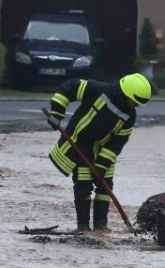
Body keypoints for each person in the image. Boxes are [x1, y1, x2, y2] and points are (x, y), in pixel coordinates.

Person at [47, 73, 152, 230]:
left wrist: (102, 166)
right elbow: (68, 87)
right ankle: (83, 227)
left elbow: (118, 142)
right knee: (83, 182)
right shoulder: (99, 90)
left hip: (103, 149)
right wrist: (57, 113)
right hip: (82, 142)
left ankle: (100, 227)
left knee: (105, 185)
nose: (135, 106)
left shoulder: (130, 115)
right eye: (134, 102)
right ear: (125, 93)